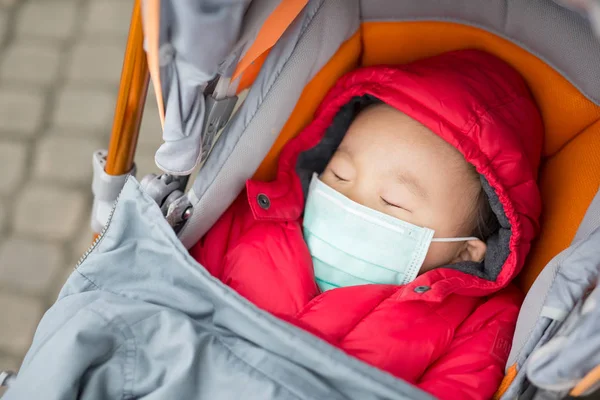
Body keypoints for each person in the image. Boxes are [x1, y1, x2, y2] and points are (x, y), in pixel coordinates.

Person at [190, 49, 544, 399]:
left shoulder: (480, 319)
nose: (350, 202)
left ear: (462, 250)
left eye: (392, 201)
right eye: (339, 175)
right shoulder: (248, 220)